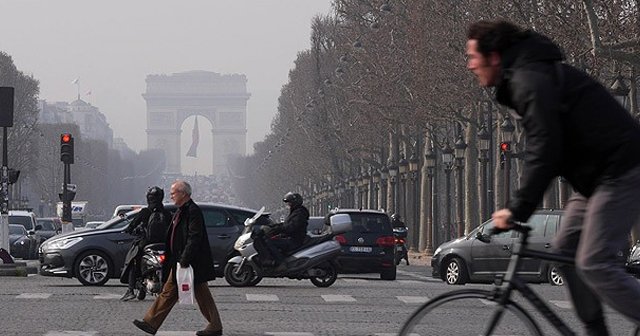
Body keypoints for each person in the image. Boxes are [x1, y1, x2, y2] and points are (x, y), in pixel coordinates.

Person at [466, 20, 640, 335]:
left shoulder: (530, 81)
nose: (470, 65)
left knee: (595, 263)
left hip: (621, 169)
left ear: (493, 57)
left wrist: (518, 207)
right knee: (565, 251)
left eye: (473, 56)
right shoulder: (525, 77)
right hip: (596, 178)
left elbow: (544, 148)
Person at [133, 180, 223, 336]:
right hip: (180, 260)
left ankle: (215, 326)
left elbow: (194, 237)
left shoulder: (192, 211)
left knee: (199, 295)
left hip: (190, 262)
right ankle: (150, 322)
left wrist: (185, 259)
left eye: (173, 193)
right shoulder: (182, 210)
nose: (171, 196)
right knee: (170, 292)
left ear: (183, 194)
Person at [120, 186, 171, 301]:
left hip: (146, 243)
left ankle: (130, 290)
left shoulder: (144, 212)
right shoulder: (167, 213)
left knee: (132, 261)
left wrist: (130, 229)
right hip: (164, 244)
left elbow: (131, 226)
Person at [263, 192, 309, 266]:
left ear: (295, 203)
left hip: (294, 240)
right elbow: (285, 224)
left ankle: (280, 262)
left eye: (289, 202)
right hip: (291, 238)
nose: (288, 205)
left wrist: (277, 230)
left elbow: (290, 227)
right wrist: (273, 227)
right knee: (269, 239)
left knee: (269, 242)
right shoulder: (296, 212)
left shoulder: (299, 213)